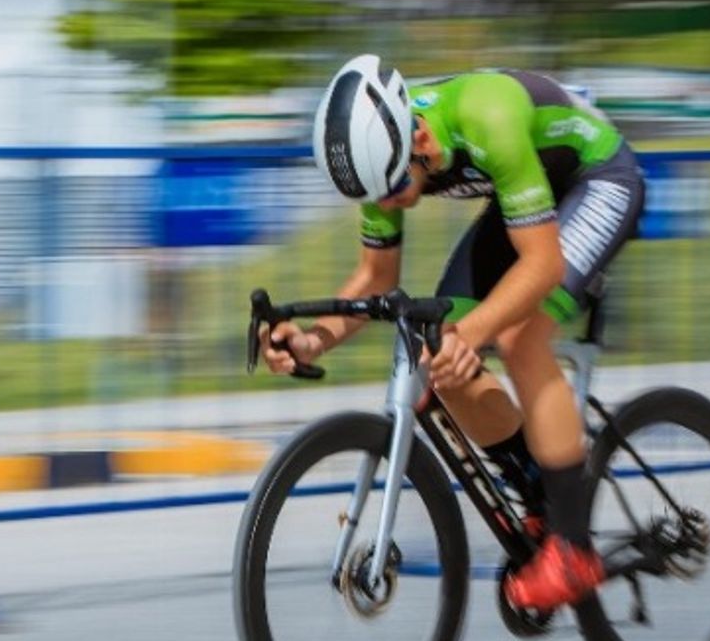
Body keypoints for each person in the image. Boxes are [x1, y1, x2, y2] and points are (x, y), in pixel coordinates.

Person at [260, 54, 645, 611]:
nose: (389, 204)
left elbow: (543, 266)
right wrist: (311, 339)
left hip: (598, 178)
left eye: (396, 187)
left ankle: (572, 549)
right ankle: (538, 488)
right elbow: (376, 278)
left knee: (518, 339)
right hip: (530, 190)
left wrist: (475, 332)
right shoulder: (382, 159)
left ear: (418, 137)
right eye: (376, 198)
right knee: (436, 349)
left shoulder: (486, 116)